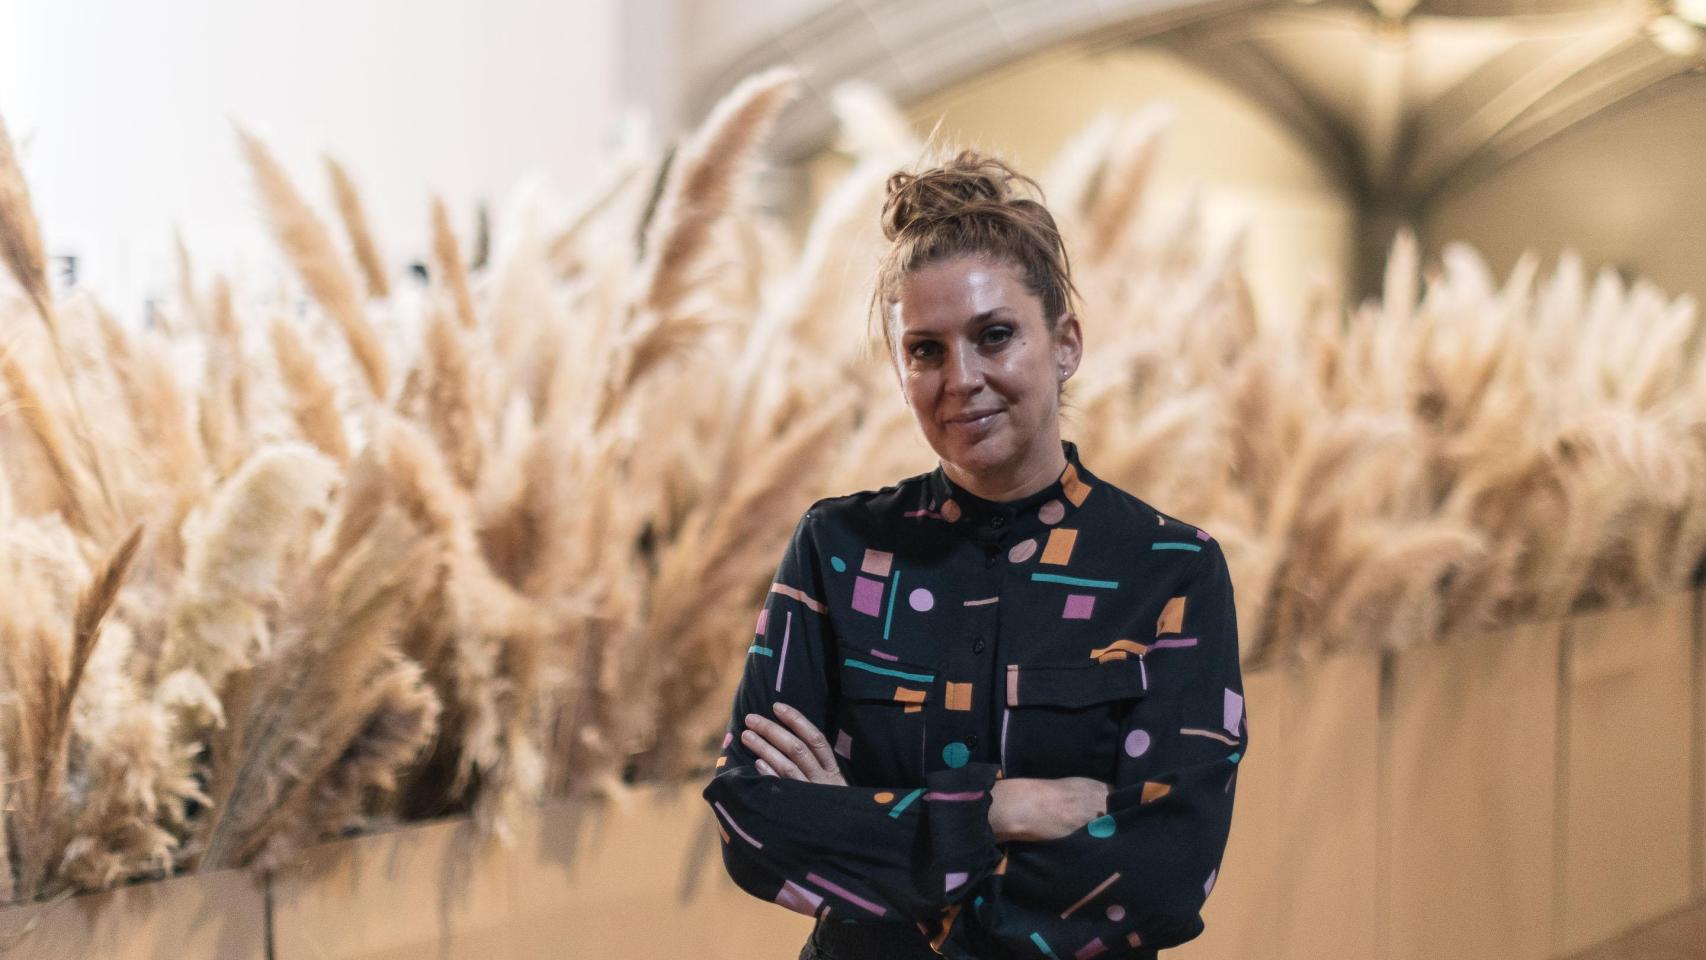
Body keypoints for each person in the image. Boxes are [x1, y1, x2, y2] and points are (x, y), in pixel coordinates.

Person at [701, 150, 1247, 960]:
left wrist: (878, 852)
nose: (961, 379)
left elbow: (1162, 878)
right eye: (925, 350)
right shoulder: (838, 551)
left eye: (995, 336)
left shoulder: (1169, 569)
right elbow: (754, 823)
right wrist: (997, 810)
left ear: (1065, 343)